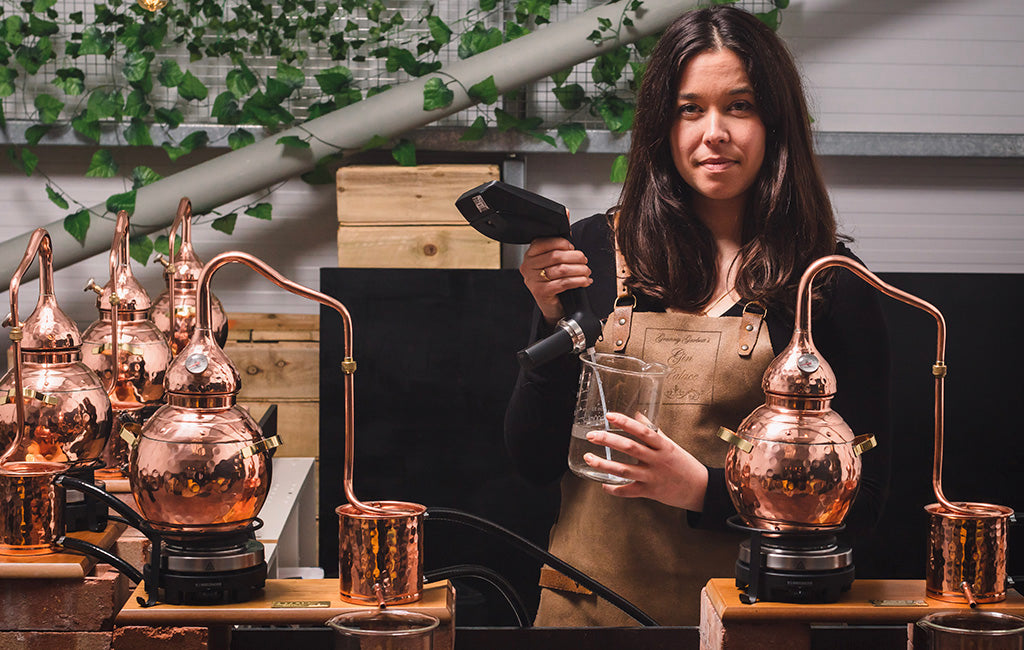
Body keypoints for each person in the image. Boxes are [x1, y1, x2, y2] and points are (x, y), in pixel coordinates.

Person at [504, 5, 891, 627]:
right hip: (581, 617)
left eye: (739, 106)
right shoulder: (592, 253)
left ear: (774, 122)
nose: (715, 131)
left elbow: (863, 501)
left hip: (745, 623)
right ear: (664, 124)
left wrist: (703, 491)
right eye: (691, 109)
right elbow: (531, 461)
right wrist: (554, 325)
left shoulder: (827, 284)